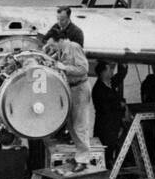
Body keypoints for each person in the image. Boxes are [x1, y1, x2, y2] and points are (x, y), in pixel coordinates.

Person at [45, 37, 93, 166]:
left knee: (79, 125)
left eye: (51, 44)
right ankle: (79, 155)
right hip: (70, 89)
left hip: (79, 88)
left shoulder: (74, 47)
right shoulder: (60, 50)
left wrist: (65, 67)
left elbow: (84, 69)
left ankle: (83, 160)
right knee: (71, 124)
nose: (50, 47)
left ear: (57, 40)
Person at [91, 60, 127, 169]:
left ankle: (109, 178)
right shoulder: (98, 89)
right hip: (105, 129)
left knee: (111, 153)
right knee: (105, 156)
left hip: (112, 127)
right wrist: (120, 104)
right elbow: (105, 109)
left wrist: (124, 65)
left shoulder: (109, 83)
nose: (112, 71)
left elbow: (119, 76)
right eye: (109, 69)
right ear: (103, 72)